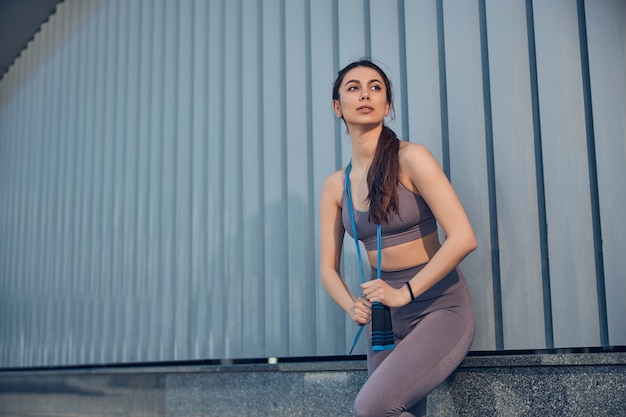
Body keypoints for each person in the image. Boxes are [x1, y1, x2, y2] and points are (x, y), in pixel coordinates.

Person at [319, 59, 477, 417]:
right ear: (337, 107)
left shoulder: (412, 158)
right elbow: (327, 267)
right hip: (383, 318)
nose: (365, 94)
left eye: (376, 87)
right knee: (394, 410)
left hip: (439, 306)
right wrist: (351, 306)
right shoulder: (335, 186)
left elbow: (464, 237)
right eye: (353, 87)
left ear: (387, 105)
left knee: (373, 407)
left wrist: (404, 292)